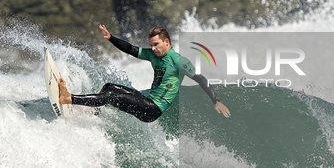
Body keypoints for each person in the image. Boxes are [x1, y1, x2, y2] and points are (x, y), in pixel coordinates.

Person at [59, 25, 230, 123]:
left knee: (110, 95)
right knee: (109, 87)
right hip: (147, 100)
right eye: (151, 45)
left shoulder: (179, 61)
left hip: (153, 109)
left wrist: (216, 101)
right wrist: (111, 37)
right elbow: (131, 49)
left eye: (156, 44)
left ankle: (70, 98)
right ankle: (93, 114)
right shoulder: (153, 55)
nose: (153, 48)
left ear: (167, 42)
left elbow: (201, 79)